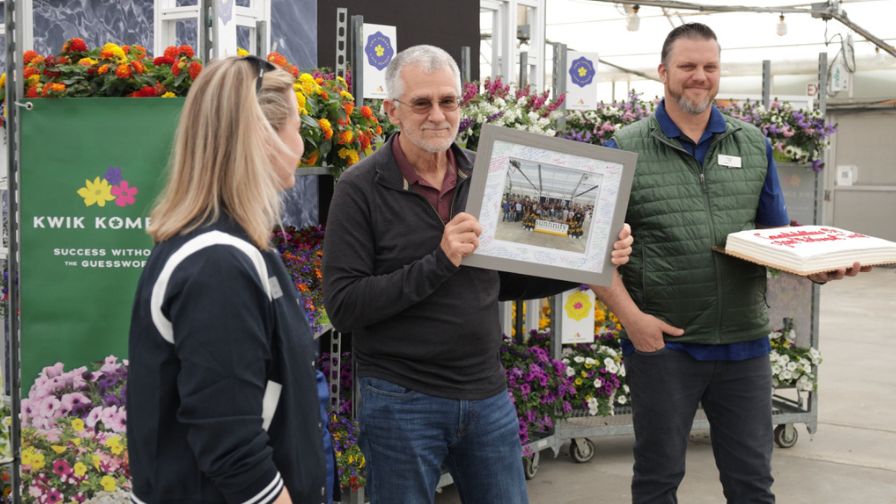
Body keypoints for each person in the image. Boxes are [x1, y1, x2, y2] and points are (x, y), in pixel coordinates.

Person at [322, 44, 633, 504]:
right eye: (421, 103)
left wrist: (591, 259)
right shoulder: (360, 189)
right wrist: (438, 262)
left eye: (448, 101)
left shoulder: (488, 174)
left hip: (486, 393)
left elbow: (506, 280)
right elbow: (344, 306)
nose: (437, 115)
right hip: (401, 398)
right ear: (392, 111)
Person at [593, 23, 871, 504]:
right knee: (657, 481)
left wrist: (821, 265)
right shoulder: (625, 147)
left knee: (752, 484)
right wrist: (633, 321)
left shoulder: (752, 144)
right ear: (663, 72)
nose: (699, 77)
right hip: (666, 346)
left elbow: (777, 239)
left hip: (744, 346)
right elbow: (591, 253)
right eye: (687, 66)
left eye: (709, 67)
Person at [127, 56, 331, 504]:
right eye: (296, 128)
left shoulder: (223, 246)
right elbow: (230, 443)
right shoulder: (217, 263)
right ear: (263, 138)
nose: (302, 145)